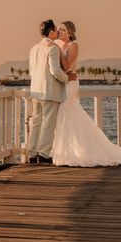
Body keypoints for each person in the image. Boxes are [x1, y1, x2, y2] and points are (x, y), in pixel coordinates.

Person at [51, 21, 121, 166]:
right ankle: (67, 150)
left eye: (63, 29)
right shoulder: (59, 46)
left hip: (70, 83)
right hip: (63, 83)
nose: (59, 31)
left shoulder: (74, 46)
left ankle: (81, 151)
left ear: (70, 32)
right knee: (64, 115)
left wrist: (56, 48)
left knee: (69, 111)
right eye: (59, 29)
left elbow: (67, 66)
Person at [27, 19, 73, 164]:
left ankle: (32, 154)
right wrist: (67, 78)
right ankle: (44, 154)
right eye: (56, 30)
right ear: (51, 32)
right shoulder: (52, 48)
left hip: (35, 91)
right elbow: (55, 71)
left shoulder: (33, 48)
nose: (57, 33)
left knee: (36, 122)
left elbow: (31, 71)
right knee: (48, 123)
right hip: (49, 91)